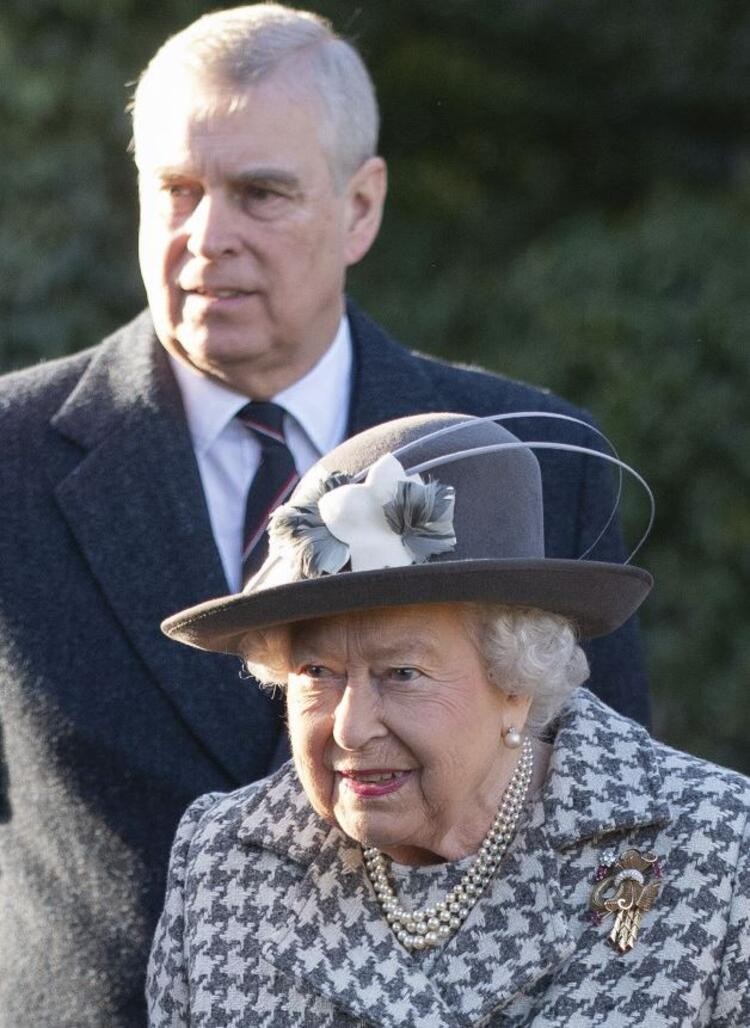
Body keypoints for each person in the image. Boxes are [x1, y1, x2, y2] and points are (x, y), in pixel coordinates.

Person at [0, 5, 647, 1026]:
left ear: (361, 206)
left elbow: (615, 827)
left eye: (259, 193)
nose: (207, 238)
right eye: (175, 192)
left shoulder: (530, 453)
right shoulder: (12, 455)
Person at [149, 413, 750, 1028]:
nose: (351, 730)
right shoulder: (225, 862)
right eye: (318, 672)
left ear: (516, 681)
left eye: (401, 674)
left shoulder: (716, 848)